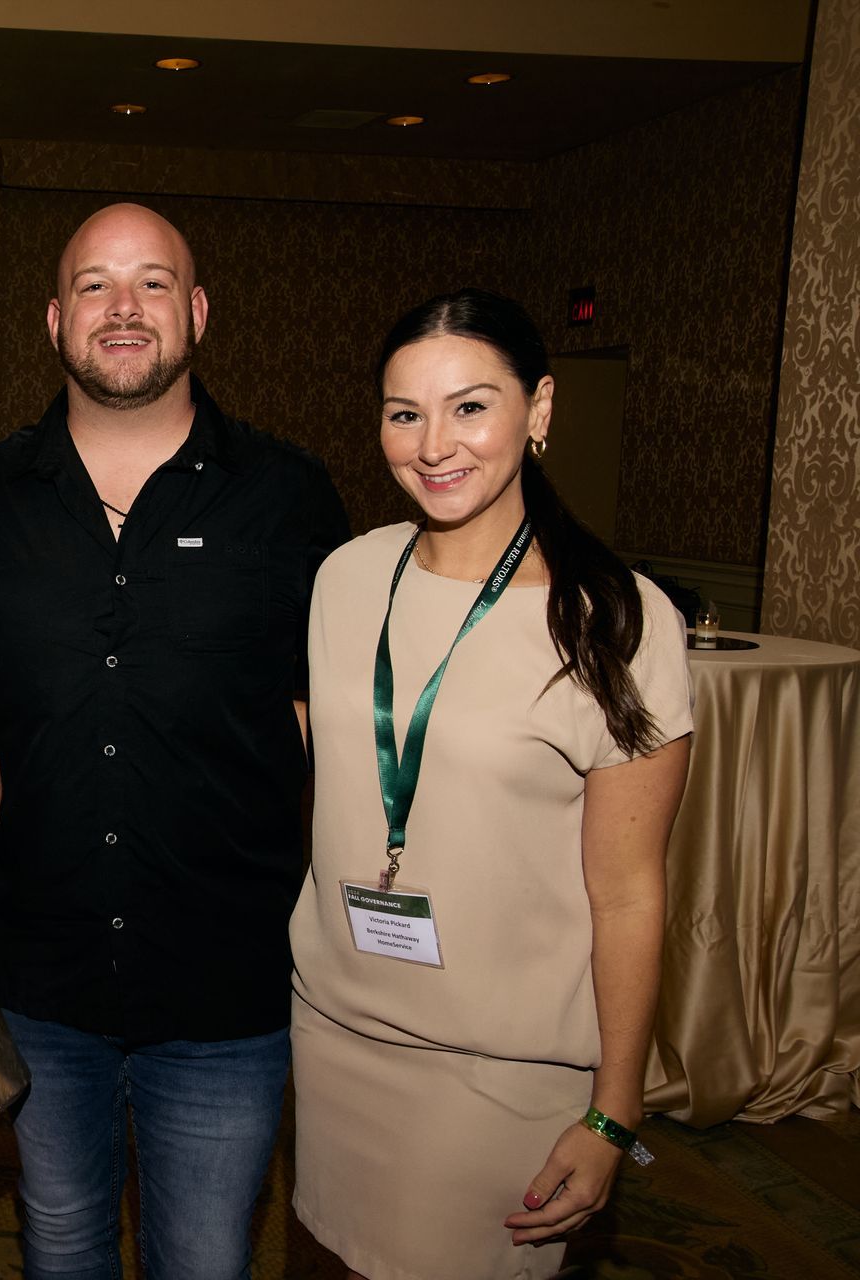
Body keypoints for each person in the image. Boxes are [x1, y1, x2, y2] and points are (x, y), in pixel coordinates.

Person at [0, 202, 349, 1278]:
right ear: (55, 319)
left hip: (225, 989)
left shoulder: (289, 496)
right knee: (59, 1248)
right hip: (37, 981)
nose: (124, 307)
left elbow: (346, 718)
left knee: (205, 1260)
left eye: (152, 282)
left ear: (197, 311)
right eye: (95, 285)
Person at [289, 288, 693, 1279]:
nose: (435, 445)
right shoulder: (346, 577)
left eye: (470, 406)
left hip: (496, 1069)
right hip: (332, 1033)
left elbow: (629, 892)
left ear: (539, 408)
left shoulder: (617, 621)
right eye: (405, 413)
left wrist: (616, 1112)